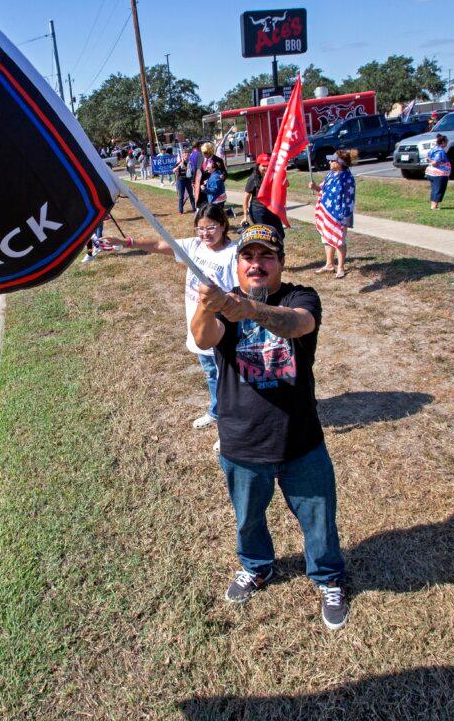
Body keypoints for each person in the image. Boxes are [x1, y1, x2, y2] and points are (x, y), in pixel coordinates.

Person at [190, 224, 348, 631]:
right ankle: (257, 566)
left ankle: (328, 577)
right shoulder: (225, 301)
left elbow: (298, 324)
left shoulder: (301, 296)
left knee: (318, 516)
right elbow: (203, 338)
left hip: (300, 437)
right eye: (249, 257)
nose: (257, 265)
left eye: (266, 257)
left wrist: (253, 311)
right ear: (238, 263)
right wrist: (208, 306)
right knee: (248, 518)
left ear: (280, 262)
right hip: (242, 440)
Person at [99, 205, 238, 445]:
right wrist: (127, 242)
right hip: (197, 327)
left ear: (224, 225)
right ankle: (216, 412)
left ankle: (230, 430)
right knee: (211, 374)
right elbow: (160, 245)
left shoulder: (233, 253)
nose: (205, 234)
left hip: (221, 331)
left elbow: (242, 293)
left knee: (229, 380)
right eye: (200, 228)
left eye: (211, 228)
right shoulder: (194, 246)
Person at [309, 149, 357, 277]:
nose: (329, 162)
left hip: (338, 215)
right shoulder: (331, 174)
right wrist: (315, 187)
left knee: (339, 240)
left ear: (339, 163)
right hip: (326, 211)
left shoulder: (347, 178)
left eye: (332, 160)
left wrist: (345, 217)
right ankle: (329, 264)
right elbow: (323, 189)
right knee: (326, 238)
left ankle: (340, 267)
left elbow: (349, 199)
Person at [243, 153, 285, 239]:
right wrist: (245, 216)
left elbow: (285, 185)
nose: (266, 168)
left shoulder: (273, 176)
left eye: (268, 165)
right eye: (263, 166)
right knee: (264, 236)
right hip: (258, 211)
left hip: (272, 209)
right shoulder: (253, 179)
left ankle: (278, 251)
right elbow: (246, 199)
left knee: (280, 234)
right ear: (258, 166)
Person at [195, 142, 227, 209]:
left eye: (205, 153)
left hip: (212, 189)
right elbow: (196, 171)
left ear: (210, 152)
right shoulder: (200, 159)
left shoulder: (218, 161)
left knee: (212, 209)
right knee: (202, 208)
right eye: (202, 152)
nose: (204, 154)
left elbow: (224, 173)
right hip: (201, 188)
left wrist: (223, 176)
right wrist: (193, 182)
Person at [425, 134, 451, 210]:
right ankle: (434, 206)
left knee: (434, 189)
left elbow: (427, 158)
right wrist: (435, 162)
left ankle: (432, 205)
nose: (446, 144)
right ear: (443, 142)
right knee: (439, 189)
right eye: (446, 142)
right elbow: (435, 163)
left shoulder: (433, 149)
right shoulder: (440, 151)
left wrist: (430, 161)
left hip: (430, 172)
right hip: (439, 173)